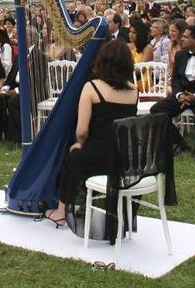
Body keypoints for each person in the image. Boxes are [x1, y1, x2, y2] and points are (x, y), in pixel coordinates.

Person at [43, 40, 139, 225]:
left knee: (72, 156)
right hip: (125, 158)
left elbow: (82, 131)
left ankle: (61, 212)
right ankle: (86, 205)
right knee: (80, 156)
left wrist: (80, 143)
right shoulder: (134, 90)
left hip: (99, 154)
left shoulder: (92, 87)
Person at [150, 25, 195, 159]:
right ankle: (179, 141)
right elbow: (176, 78)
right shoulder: (181, 55)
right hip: (183, 94)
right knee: (156, 110)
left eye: (185, 37)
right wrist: (179, 94)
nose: (182, 39)